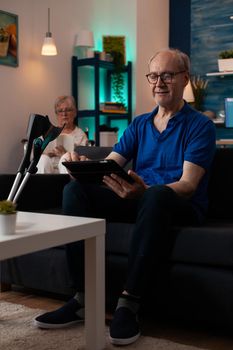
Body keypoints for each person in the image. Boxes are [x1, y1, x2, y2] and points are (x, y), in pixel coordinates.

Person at [34, 48, 216, 345]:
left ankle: (129, 304)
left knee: (156, 196)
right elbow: (112, 164)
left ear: (184, 79)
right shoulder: (139, 124)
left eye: (167, 75)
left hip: (176, 203)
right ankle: (82, 298)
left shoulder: (200, 126)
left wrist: (147, 192)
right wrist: (80, 168)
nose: (159, 82)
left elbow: (188, 185)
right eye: (154, 75)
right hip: (139, 199)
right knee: (75, 191)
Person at [37, 95, 88, 173]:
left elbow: (83, 161)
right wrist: (45, 153)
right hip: (49, 168)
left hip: (67, 171)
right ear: (56, 114)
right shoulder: (49, 132)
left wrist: (64, 154)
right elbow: (37, 152)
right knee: (43, 159)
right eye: (60, 111)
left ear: (74, 113)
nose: (64, 114)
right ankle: (44, 184)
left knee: (65, 158)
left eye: (68, 110)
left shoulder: (80, 135)